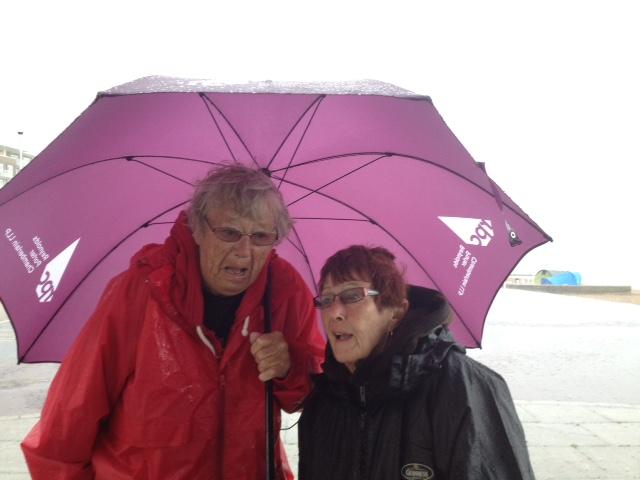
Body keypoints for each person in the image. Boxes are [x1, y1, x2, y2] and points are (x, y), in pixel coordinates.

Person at [21, 164, 325, 479]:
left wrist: (289, 368)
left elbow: (306, 398)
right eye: (229, 233)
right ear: (197, 229)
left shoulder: (284, 292)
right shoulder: (144, 290)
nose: (244, 252)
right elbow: (66, 424)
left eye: (261, 237)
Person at [298, 245, 535, 480]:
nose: (334, 312)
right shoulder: (322, 401)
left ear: (396, 312)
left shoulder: (464, 389)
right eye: (326, 300)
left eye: (353, 296)